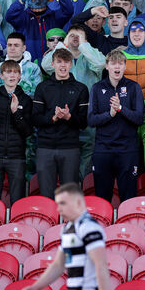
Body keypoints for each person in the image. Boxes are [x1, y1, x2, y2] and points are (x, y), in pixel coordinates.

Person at [20, 183, 110, 290]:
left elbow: (101, 265)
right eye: (57, 204)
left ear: (78, 202)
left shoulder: (88, 226)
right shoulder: (68, 228)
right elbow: (58, 265)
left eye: (63, 203)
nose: (59, 209)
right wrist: (36, 287)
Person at [88, 48, 145, 202]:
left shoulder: (133, 87)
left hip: (128, 151)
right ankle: (103, 226)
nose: (117, 67)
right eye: (113, 63)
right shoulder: (97, 88)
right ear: (107, 66)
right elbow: (91, 120)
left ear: (125, 67)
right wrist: (110, 114)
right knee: (102, 197)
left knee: (129, 198)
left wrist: (120, 109)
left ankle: (127, 225)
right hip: (103, 150)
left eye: (120, 63)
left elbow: (139, 118)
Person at [32, 48, 90, 198]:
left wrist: (69, 117)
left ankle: (67, 222)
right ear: (52, 64)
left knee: (69, 196)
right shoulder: (42, 87)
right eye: (59, 62)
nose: (62, 66)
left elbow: (84, 122)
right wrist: (53, 118)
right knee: (46, 196)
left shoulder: (81, 89)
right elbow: (35, 118)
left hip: (70, 147)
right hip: (45, 147)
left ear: (71, 64)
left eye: (66, 62)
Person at [0, 59, 33, 204]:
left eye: (15, 72)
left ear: (20, 76)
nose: (12, 76)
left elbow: (28, 131)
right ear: (1, 76)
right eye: (8, 72)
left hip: (16, 158)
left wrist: (16, 113)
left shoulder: (26, 100)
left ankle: (15, 227)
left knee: (17, 201)